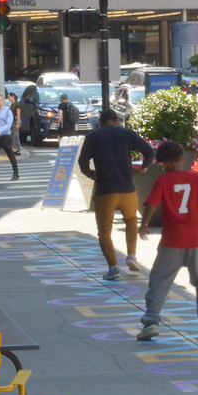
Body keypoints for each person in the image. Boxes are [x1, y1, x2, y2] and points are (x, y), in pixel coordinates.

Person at [136, 141, 198, 341]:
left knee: (159, 280)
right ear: (182, 160)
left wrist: (144, 225)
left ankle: (151, 322)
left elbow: (151, 204)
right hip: (196, 239)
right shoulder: (197, 178)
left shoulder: (163, 181)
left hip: (172, 240)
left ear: (165, 164)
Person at [78, 109, 154, 280]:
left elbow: (82, 162)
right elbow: (149, 151)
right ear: (116, 121)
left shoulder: (93, 136)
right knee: (131, 221)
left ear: (100, 122)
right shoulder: (126, 133)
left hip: (105, 190)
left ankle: (113, 268)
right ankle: (132, 256)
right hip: (128, 188)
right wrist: (144, 165)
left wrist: (91, 174)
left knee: (104, 230)